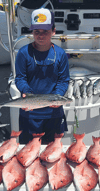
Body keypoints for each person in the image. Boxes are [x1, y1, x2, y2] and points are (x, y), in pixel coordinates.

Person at [15, 8, 70, 144]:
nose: (41, 36)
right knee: (29, 150)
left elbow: (63, 80)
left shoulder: (60, 53)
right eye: (36, 32)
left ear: (53, 31)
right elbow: (20, 78)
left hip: (53, 113)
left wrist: (57, 97)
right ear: (32, 32)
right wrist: (26, 92)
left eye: (45, 32)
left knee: (52, 149)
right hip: (30, 112)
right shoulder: (23, 53)